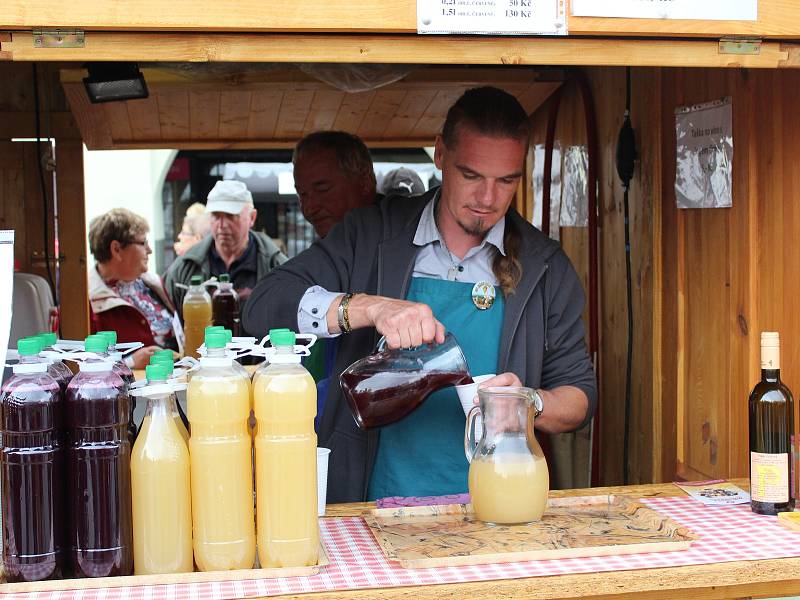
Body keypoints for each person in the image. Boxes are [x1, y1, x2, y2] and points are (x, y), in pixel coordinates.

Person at [244, 87, 596, 503]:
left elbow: (578, 396)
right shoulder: (370, 235)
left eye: (506, 181)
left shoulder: (545, 267)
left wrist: (527, 402)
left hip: (497, 501)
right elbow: (263, 306)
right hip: (371, 501)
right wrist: (368, 306)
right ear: (441, 155)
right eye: (471, 175)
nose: (487, 199)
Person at [163, 180, 288, 328]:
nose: (222, 225)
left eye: (230, 216)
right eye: (216, 216)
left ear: (252, 218)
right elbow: (167, 322)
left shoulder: (277, 267)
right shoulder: (185, 267)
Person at [88, 208, 175, 369]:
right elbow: (80, 366)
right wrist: (130, 362)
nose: (149, 250)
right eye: (143, 243)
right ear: (117, 249)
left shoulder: (153, 282)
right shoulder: (87, 303)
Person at [292, 131, 377, 237]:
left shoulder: (401, 239)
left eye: (322, 189)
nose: (309, 208)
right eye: (302, 194)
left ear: (365, 182)